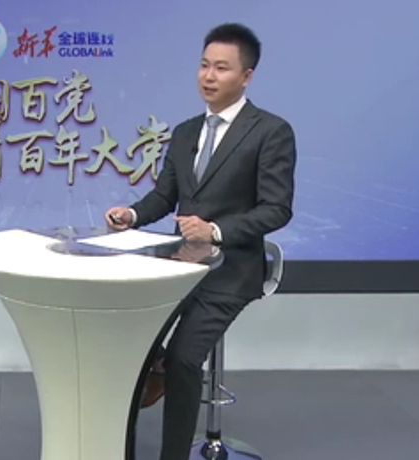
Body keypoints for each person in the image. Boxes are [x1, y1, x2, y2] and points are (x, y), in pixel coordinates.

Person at [105, 23, 297, 459]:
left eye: (221, 68)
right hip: (180, 269)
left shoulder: (270, 131)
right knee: (132, 348)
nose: (208, 76)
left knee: (184, 358)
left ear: (246, 76)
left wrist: (216, 231)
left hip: (232, 272)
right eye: (204, 65)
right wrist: (131, 215)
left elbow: (277, 209)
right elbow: (164, 196)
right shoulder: (186, 132)